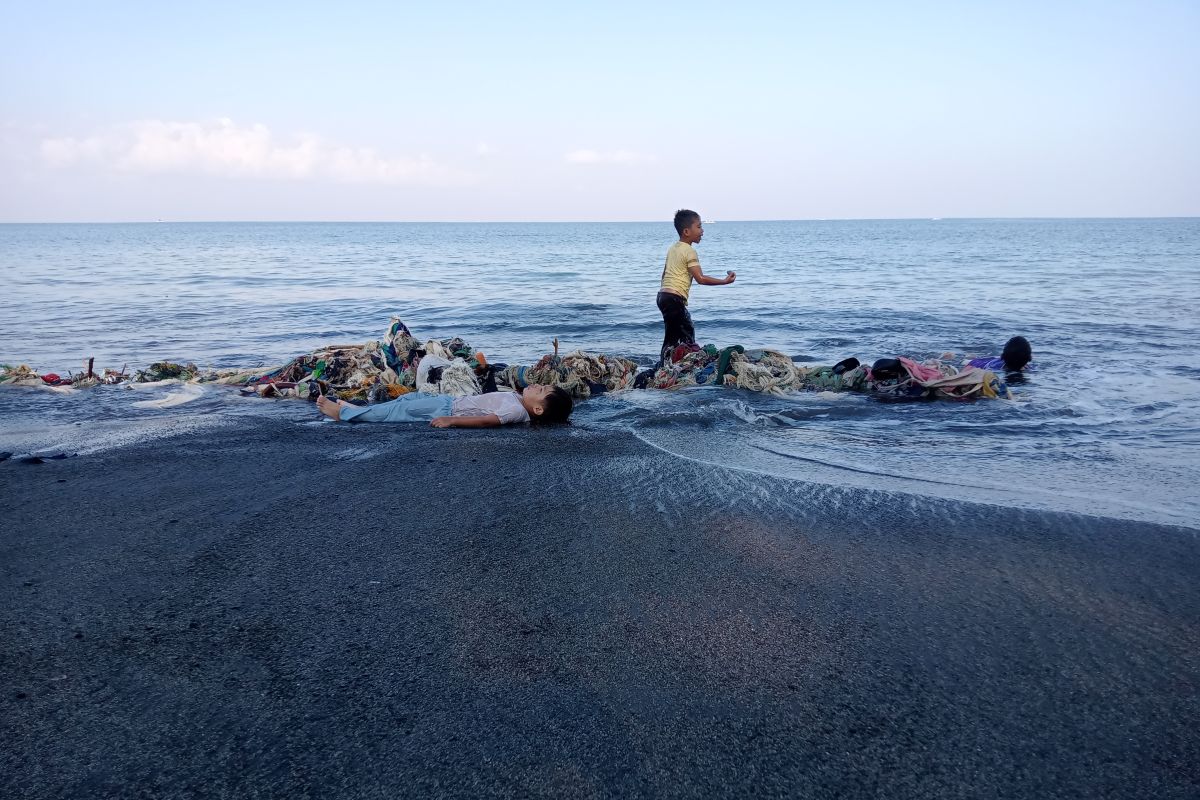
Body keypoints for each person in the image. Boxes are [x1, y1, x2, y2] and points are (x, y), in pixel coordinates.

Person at [656, 209, 735, 365]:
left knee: (671, 334)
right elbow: (701, 278)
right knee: (687, 332)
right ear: (686, 231)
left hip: (663, 296)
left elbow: (664, 274)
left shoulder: (673, 248)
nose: (702, 231)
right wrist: (724, 281)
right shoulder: (689, 251)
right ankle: (683, 364)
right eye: (699, 227)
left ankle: (665, 364)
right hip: (674, 298)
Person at [316, 383, 573, 427]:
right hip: (449, 401)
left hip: (448, 410)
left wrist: (452, 420)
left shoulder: (516, 411)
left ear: (537, 409)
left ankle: (345, 415)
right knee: (408, 398)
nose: (535, 386)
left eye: (540, 391)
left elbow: (486, 421)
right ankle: (358, 410)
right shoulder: (518, 400)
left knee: (398, 411)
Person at [966, 336, 1032, 373]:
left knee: (970, 358)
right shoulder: (1030, 369)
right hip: (993, 362)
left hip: (980, 363)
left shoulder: (992, 369)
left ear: (1002, 356)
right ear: (1029, 358)